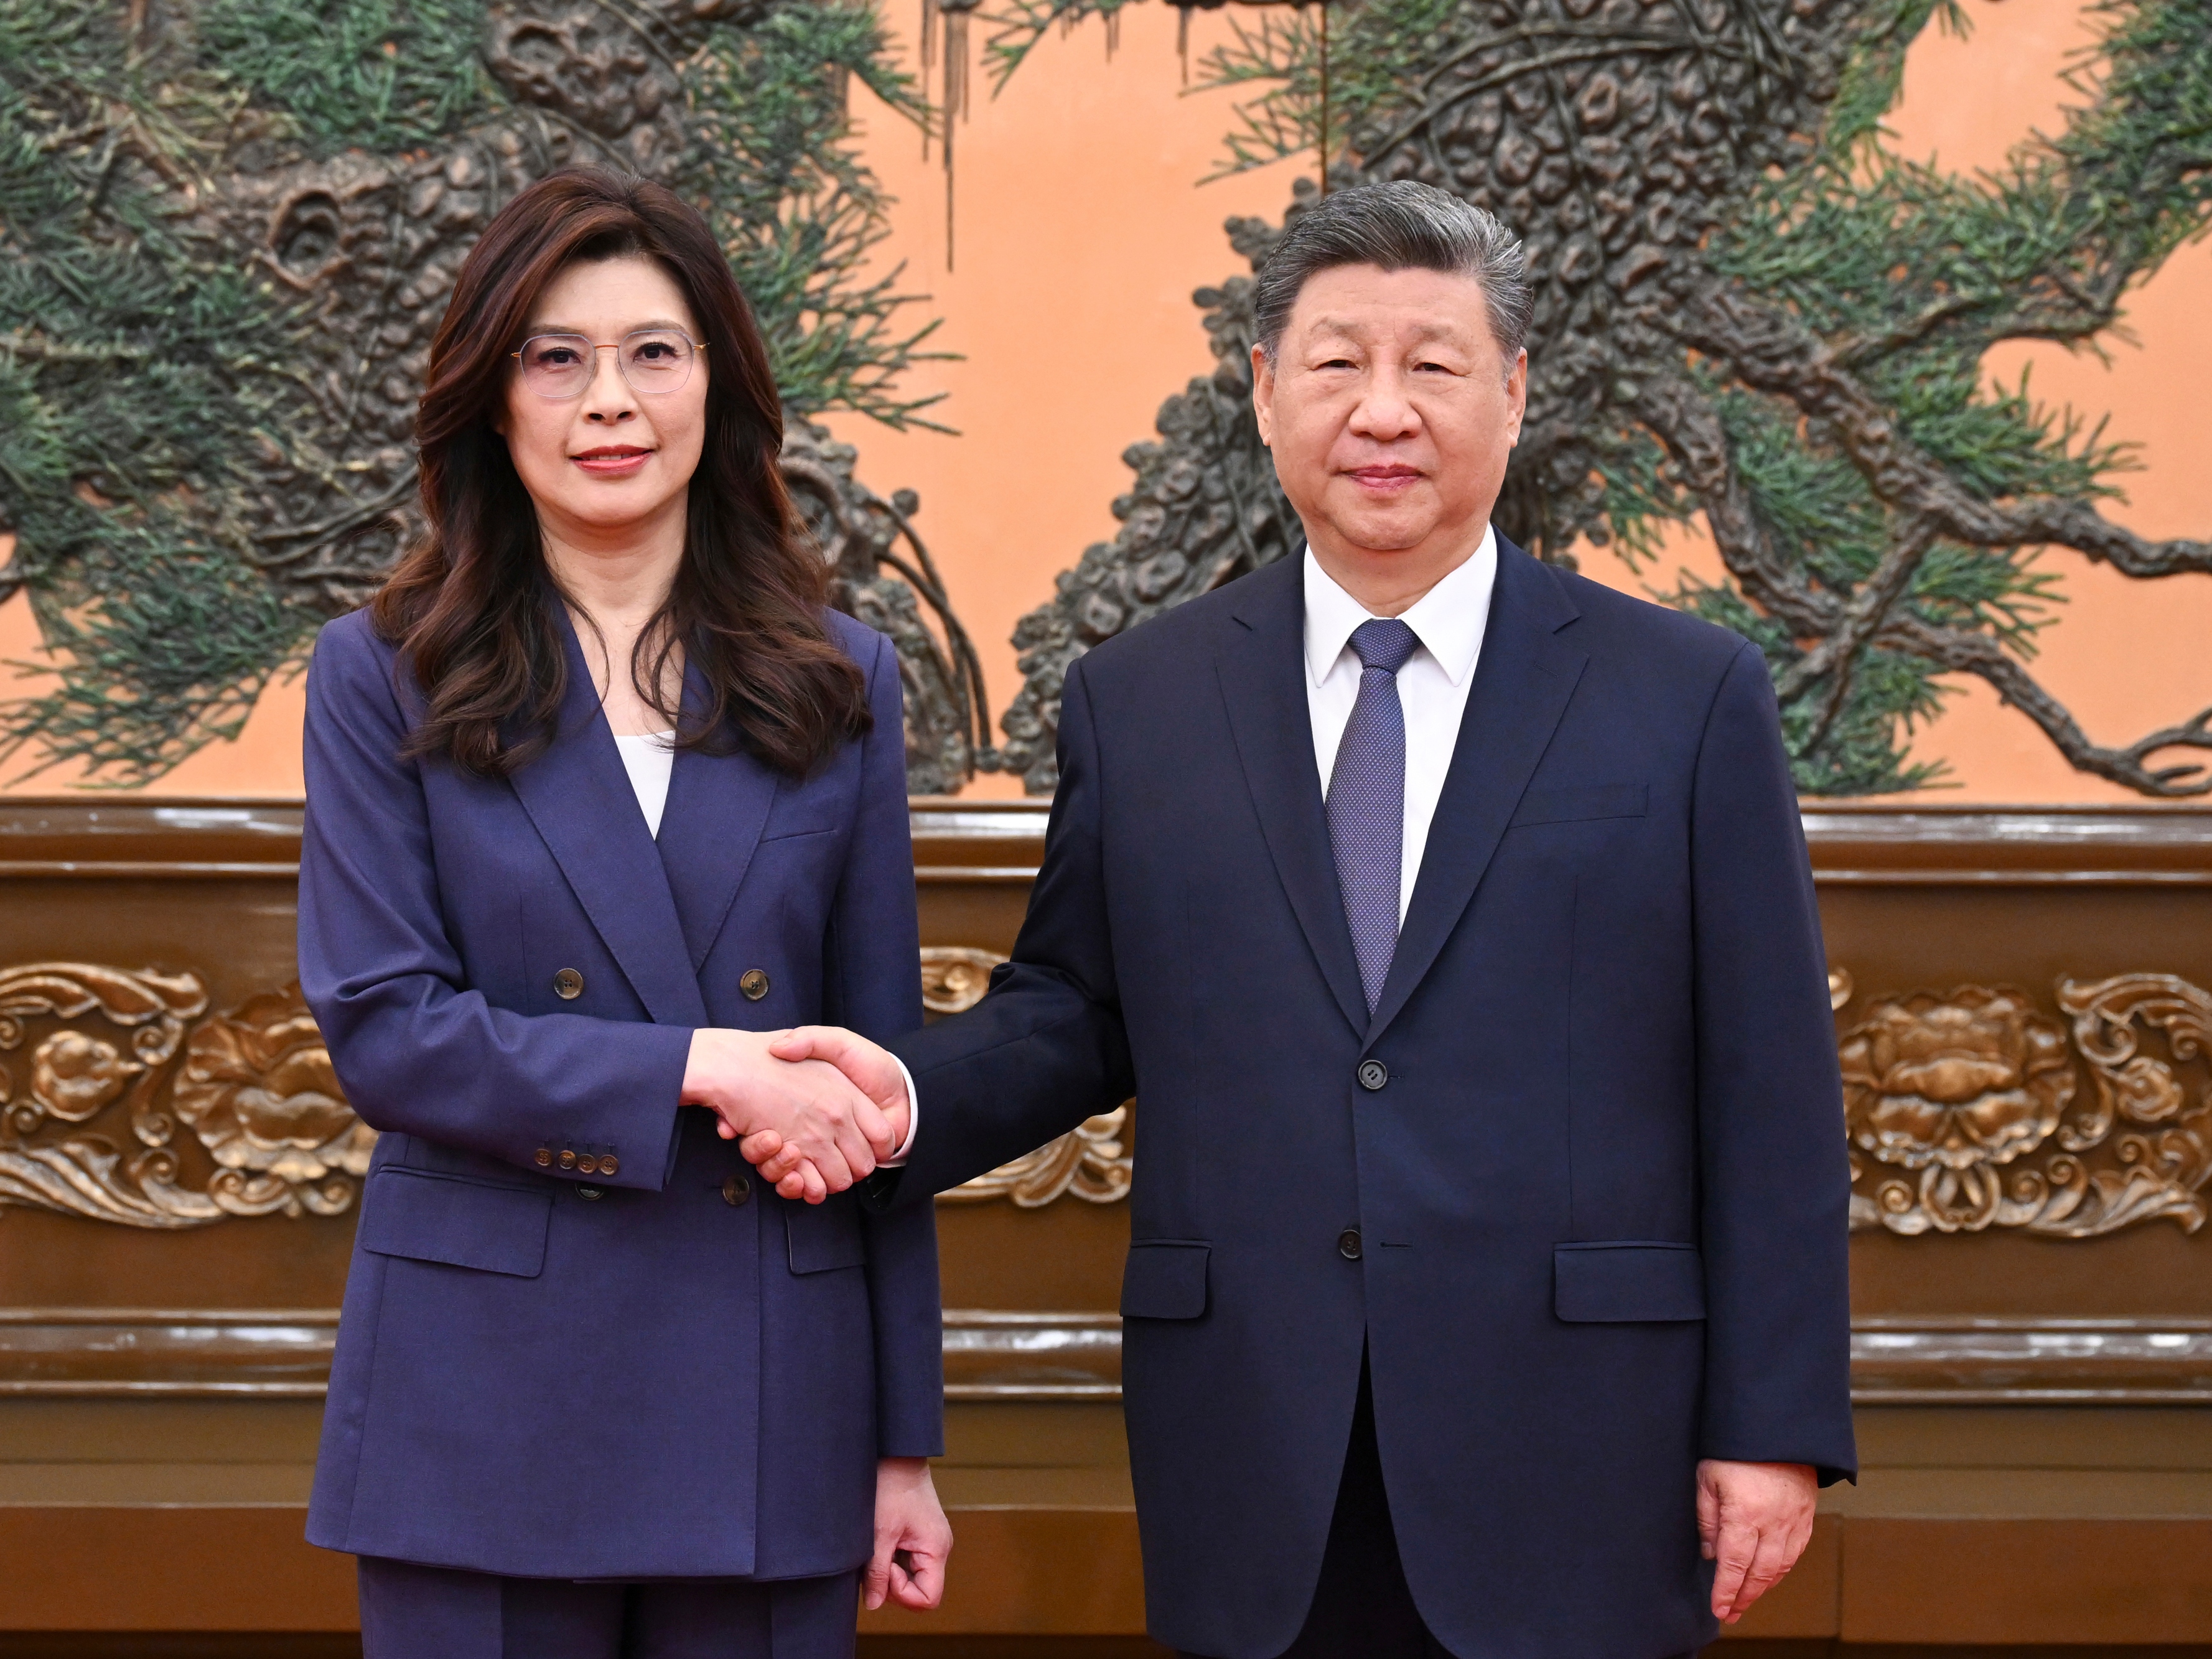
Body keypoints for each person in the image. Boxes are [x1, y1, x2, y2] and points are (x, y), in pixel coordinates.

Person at [752, 180, 1856, 1659]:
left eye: (1435, 365)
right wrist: (891, 1096)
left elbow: (1769, 1085)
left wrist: (1771, 1427)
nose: (1382, 411)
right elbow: (1075, 1010)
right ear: (1262, 392)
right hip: (1258, 1431)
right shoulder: (1142, 698)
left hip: (1584, 1439)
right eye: (1336, 363)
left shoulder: (1684, 694)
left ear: (1513, 394)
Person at [297, 167, 949, 1659]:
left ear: (717, 384)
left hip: (773, 1392)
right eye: (556, 354)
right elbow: (387, 1032)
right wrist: (698, 1066)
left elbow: (876, 1077)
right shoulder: (380, 668)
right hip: (480, 1397)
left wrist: (902, 1438)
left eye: (655, 350)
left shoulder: (838, 676)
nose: (610, 398)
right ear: (493, 397)